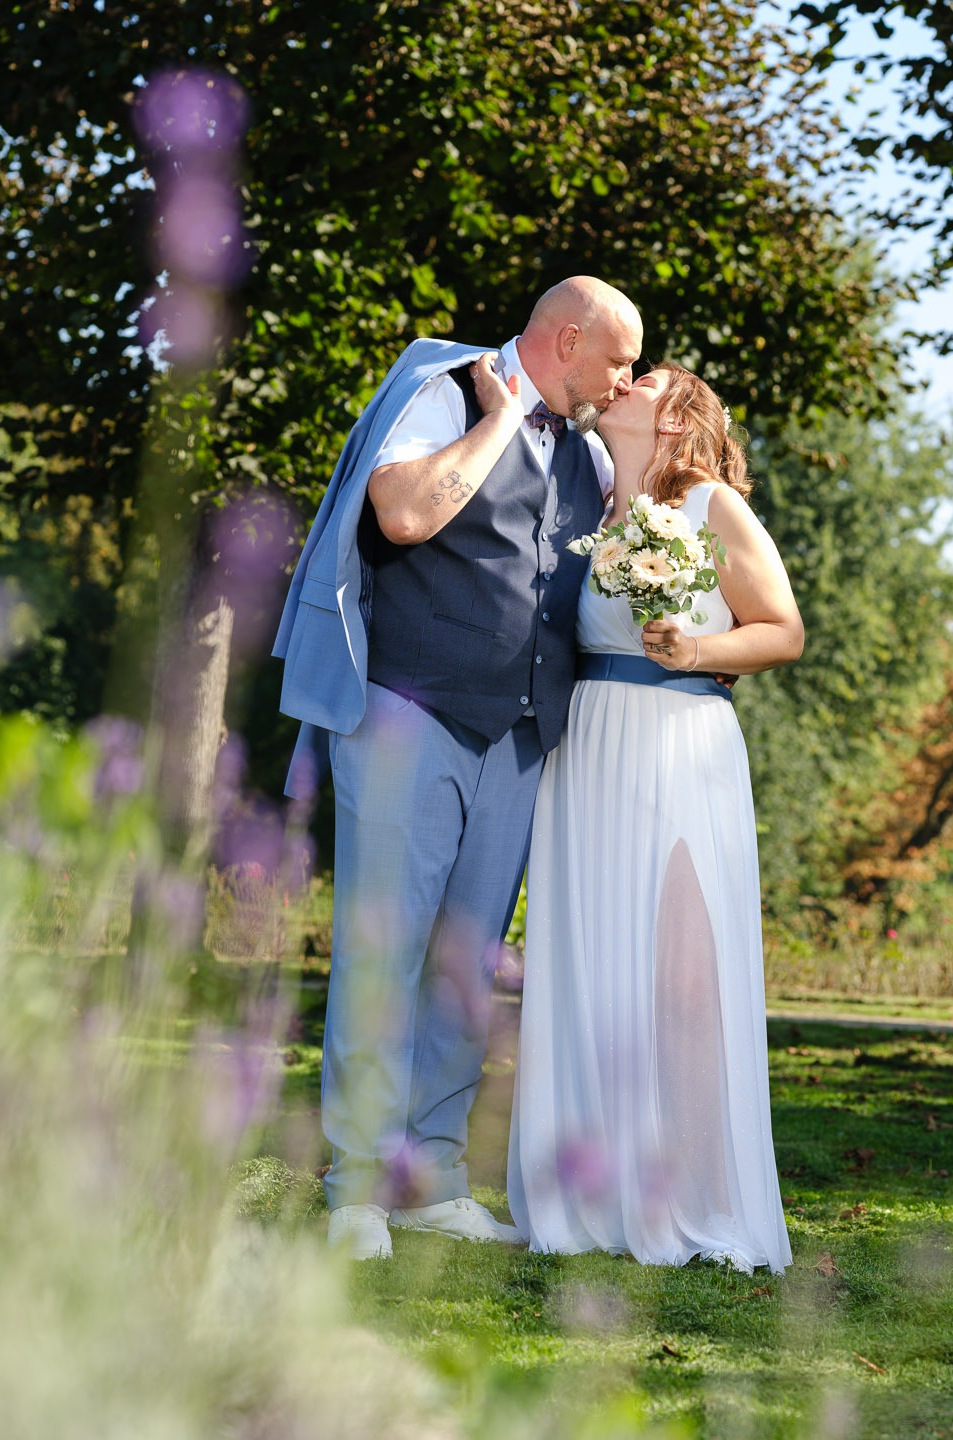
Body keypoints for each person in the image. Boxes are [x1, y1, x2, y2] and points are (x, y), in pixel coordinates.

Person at [271, 277, 643, 1260]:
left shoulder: (594, 456)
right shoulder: (445, 391)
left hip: (519, 734)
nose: (627, 377)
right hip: (410, 712)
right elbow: (399, 516)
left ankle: (429, 1177)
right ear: (566, 340)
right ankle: (355, 1184)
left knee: (467, 967)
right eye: (617, 358)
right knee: (382, 949)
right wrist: (500, 419)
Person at [507, 364, 801, 1273]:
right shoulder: (586, 505)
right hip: (586, 751)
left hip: (679, 748)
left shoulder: (713, 509)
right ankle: (594, 1196)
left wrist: (701, 647)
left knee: (685, 976)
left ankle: (701, 1202)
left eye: (648, 380)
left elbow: (782, 629)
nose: (622, 383)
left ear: (677, 421)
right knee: (593, 966)